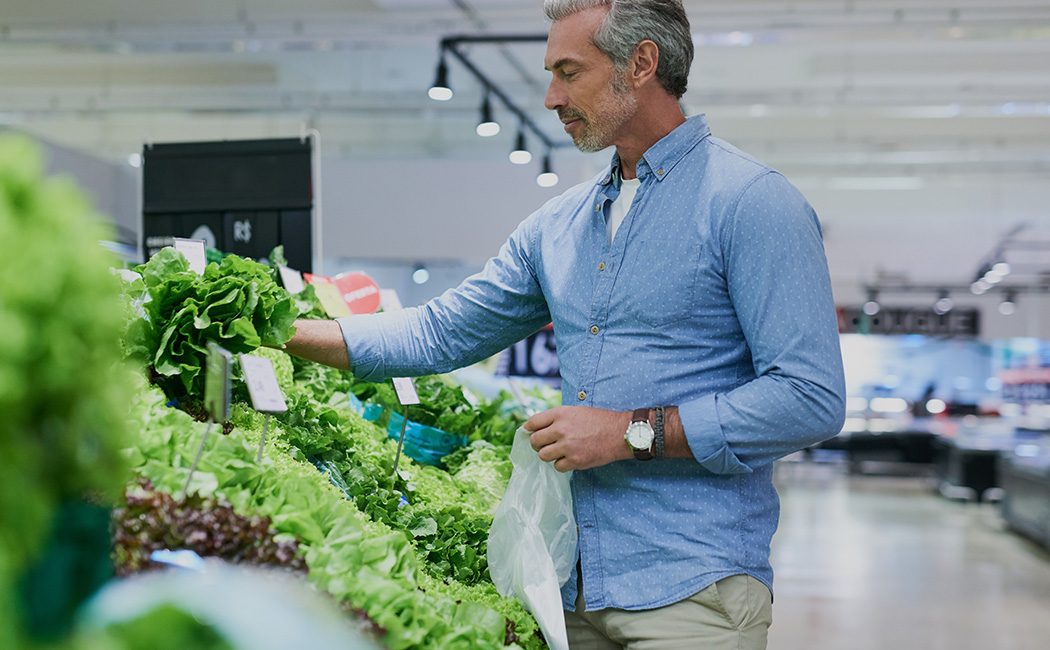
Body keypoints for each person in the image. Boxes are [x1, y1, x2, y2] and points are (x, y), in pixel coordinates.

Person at [284, 0, 846, 647]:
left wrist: (628, 433)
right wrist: (271, 329)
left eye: (569, 72)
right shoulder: (559, 227)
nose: (551, 96)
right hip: (570, 589)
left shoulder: (753, 204)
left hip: (692, 594)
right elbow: (437, 334)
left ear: (641, 64)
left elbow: (810, 398)